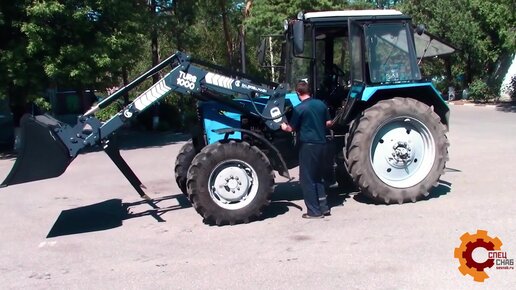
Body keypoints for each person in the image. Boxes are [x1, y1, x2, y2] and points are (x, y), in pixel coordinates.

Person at [280, 81, 333, 219]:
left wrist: (282, 126)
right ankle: (324, 207)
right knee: (318, 177)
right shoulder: (321, 105)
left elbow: (291, 128)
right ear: (310, 91)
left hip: (308, 147)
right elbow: (328, 123)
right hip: (322, 144)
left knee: (307, 179)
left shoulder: (299, 109)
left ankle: (314, 212)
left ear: (298, 93)